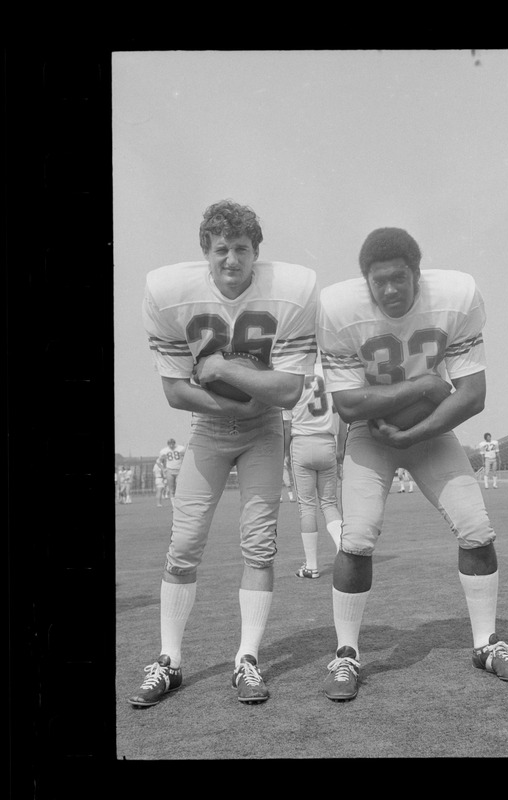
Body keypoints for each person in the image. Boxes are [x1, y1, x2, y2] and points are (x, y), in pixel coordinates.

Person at [317, 227, 508, 702]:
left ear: (418, 273)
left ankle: (486, 644)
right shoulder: (337, 309)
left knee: (476, 527)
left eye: (399, 279)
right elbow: (349, 406)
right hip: (371, 439)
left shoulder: (454, 297)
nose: (390, 290)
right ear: (365, 281)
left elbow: (473, 395)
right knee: (356, 538)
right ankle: (346, 654)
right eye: (379, 282)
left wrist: (414, 432)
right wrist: (421, 387)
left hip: (431, 434)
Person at [129, 199, 317, 708]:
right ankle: (169, 660)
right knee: (184, 544)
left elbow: (289, 391)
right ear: (204, 252)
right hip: (210, 431)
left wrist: (223, 370)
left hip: (262, 432)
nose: (230, 260)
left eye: (240, 249)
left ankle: (246, 660)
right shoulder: (171, 294)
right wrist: (243, 396)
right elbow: (175, 392)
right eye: (220, 249)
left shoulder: (292, 292)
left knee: (259, 546)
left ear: (257, 251)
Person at [283, 362, 345, 579]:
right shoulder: (332, 372)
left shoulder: (293, 373)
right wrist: (341, 449)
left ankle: (311, 566)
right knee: (329, 503)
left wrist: (284, 454)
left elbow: (286, 424)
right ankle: (344, 550)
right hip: (328, 441)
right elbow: (344, 418)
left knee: (307, 507)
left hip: (302, 441)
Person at [158, 438, 186, 503]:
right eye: (170, 444)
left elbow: (186, 456)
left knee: (179, 487)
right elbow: (158, 461)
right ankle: (174, 506)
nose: (171, 446)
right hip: (170, 470)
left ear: (174, 443)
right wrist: (163, 469)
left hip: (179, 470)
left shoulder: (181, 448)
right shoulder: (164, 451)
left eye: (172, 444)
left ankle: (180, 503)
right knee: (171, 489)